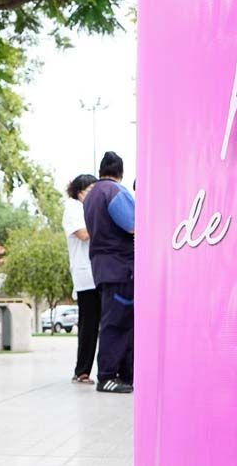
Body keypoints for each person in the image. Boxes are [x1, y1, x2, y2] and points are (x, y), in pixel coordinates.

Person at [81, 152, 135, 394]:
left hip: (104, 268)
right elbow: (133, 225)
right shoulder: (115, 192)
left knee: (117, 322)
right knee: (117, 324)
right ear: (120, 172)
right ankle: (108, 376)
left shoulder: (91, 195)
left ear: (101, 171)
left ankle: (125, 375)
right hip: (120, 269)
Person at [64, 174, 101, 384]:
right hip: (86, 275)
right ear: (80, 192)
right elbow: (83, 234)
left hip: (98, 272)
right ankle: (82, 371)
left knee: (101, 324)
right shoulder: (73, 208)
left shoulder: (90, 208)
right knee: (89, 324)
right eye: (90, 190)